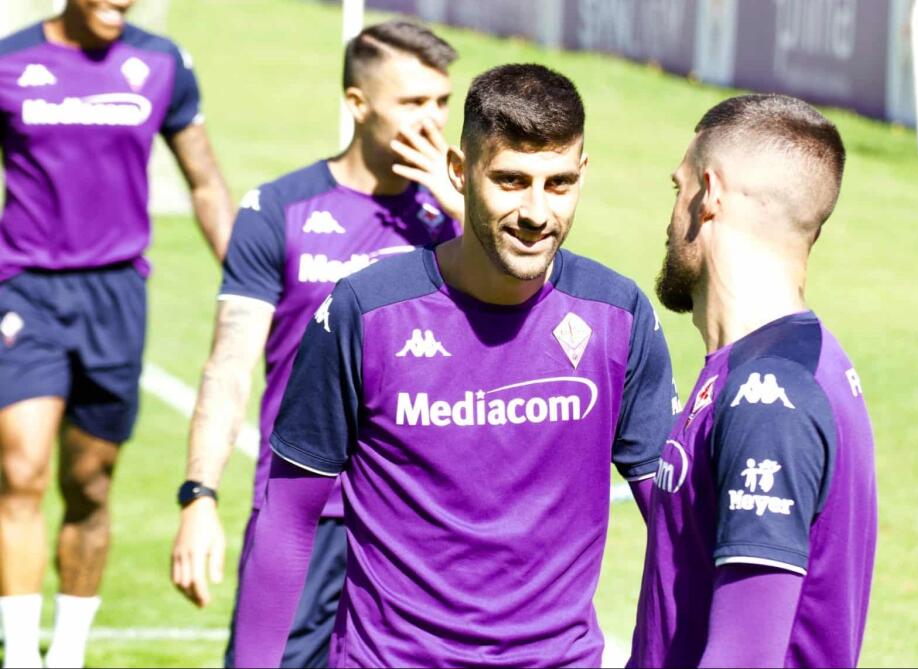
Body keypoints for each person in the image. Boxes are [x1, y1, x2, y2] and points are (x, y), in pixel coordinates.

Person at [232, 63, 676, 667]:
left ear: (583, 173)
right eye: (512, 181)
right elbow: (287, 519)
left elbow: (675, 527)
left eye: (559, 183)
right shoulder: (365, 311)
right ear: (459, 172)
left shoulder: (617, 315)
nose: (536, 213)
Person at [166, 19, 462, 668]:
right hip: (302, 514)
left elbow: (539, 315)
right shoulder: (279, 209)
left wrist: (462, 210)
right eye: (413, 102)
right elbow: (230, 364)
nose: (434, 121)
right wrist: (199, 494)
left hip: (420, 523)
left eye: (442, 102)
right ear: (357, 105)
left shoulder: (460, 220)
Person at [0, 0, 232, 666]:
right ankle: (20, 655)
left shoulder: (162, 63)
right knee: (21, 469)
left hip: (116, 297)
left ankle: (66, 652)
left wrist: (249, 283)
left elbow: (206, 183)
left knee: (91, 482)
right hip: (25, 292)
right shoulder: (10, 62)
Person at [629, 94, 877, 668]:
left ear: (709, 195)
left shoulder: (771, 395)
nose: (671, 217)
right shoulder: (759, 367)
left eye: (678, 189)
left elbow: (743, 656)